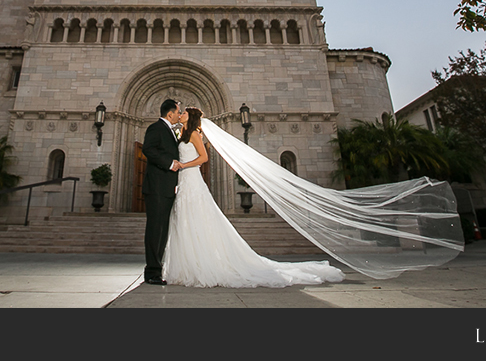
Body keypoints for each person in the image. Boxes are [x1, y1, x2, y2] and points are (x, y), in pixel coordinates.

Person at [162, 107, 345, 288]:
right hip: (184, 181)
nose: (181, 114)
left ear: (191, 117)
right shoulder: (183, 133)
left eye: (184, 112)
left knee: (198, 218)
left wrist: (184, 165)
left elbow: (204, 158)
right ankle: (190, 263)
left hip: (192, 178)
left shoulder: (194, 134)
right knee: (186, 219)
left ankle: (202, 264)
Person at [141, 99, 183, 285]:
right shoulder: (156, 128)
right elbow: (148, 149)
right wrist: (170, 163)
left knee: (162, 229)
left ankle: (157, 269)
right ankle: (152, 272)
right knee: (155, 229)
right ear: (170, 114)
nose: (179, 115)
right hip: (157, 188)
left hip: (166, 189)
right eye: (178, 112)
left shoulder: (170, 130)